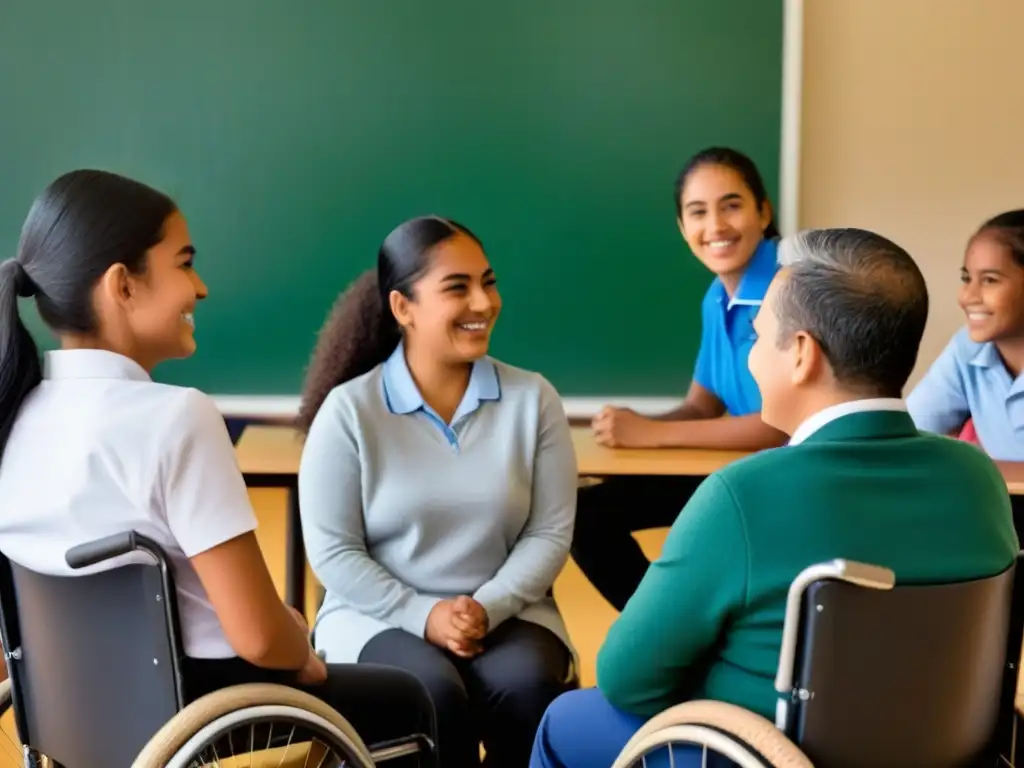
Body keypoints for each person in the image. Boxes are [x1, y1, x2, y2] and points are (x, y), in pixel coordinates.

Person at [529, 227, 1019, 767]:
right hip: (945, 752)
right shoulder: (978, 480)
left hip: (766, 755)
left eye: (760, 338)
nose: (753, 359)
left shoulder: (742, 495)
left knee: (565, 721)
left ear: (802, 354)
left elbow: (627, 681)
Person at [0, 170, 437, 760]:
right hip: (203, 713)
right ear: (122, 286)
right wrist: (296, 641)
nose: (200, 288)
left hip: (77, 722)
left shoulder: (17, 411)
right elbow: (260, 638)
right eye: (183, 263)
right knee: (413, 699)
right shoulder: (176, 417)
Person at [296, 215, 578, 767]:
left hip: (509, 612)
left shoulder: (534, 399)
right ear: (403, 308)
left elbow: (549, 532)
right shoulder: (350, 412)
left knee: (525, 686)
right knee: (427, 693)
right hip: (375, 617)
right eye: (458, 287)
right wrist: (422, 614)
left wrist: (486, 607)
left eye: (488, 282)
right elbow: (333, 552)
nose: (483, 302)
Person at [571, 147, 788, 612]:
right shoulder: (717, 296)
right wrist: (633, 430)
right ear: (682, 227)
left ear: (763, 211)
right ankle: (670, 629)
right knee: (581, 511)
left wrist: (653, 434)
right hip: (736, 476)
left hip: (784, 487)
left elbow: (779, 426)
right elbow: (702, 406)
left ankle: (671, 634)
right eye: (698, 212)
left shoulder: (788, 291)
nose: (716, 227)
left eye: (731, 205)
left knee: (595, 519)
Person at [907, 210, 1024, 461]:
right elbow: (906, 435)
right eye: (966, 278)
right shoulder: (967, 349)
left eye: (990, 280)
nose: (967, 296)